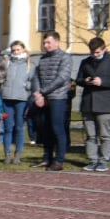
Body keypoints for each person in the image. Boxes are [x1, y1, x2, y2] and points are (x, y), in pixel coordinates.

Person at [27, 32, 72, 171]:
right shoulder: (43, 58)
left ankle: (59, 160)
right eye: (44, 42)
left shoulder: (65, 57)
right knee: (44, 128)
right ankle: (47, 158)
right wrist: (37, 94)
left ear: (57, 42)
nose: (45, 45)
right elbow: (36, 77)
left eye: (48, 42)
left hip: (58, 97)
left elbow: (62, 78)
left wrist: (43, 91)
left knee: (57, 128)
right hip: (43, 98)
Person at [78, 37, 110, 172]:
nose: (94, 55)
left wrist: (102, 82)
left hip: (105, 104)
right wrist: (85, 81)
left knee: (105, 135)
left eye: (97, 52)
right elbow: (78, 79)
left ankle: (104, 160)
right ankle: (92, 159)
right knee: (90, 135)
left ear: (103, 49)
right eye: (92, 52)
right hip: (88, 103)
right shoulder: (85, 62)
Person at [0, 40, 32, 164]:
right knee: (8, 127)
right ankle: (7, 154)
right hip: (7, 99)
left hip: (21, 99)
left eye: (18, 49)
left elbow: (32, 80)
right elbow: (1, 77)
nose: (15, 52)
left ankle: (18, 154)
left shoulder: (29, 65)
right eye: (13, 50)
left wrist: (26, 85)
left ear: (23, 50)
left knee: (19, 127)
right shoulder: (7, 63)